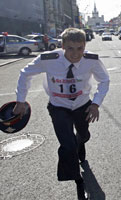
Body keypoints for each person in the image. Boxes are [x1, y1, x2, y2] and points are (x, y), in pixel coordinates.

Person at [13, 28, 110, 199]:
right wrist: (20, 100)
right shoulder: (48, 59)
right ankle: (78, 180)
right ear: (63, 46)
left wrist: (96, 104)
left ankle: (81, 143)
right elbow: (25, 73)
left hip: (82, 106)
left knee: (83, 135)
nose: (76, 54)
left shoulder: (91, 60)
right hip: (59, 107)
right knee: (67, 145)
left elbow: (104, 80)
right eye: (70, 48)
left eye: (80, 48)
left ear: (85, 46)